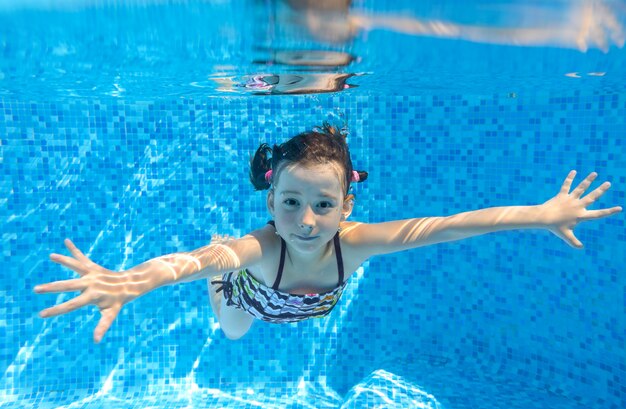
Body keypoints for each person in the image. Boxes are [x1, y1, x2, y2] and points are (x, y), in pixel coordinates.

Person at [34, 123, 622, 342]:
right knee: (233, 326)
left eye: (323, 204)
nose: (306, 222)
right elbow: (193, 258)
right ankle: (223, 290)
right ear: (270, 199)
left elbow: (447, 228)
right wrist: (131, 284)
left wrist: (539, 214)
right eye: (290, 203)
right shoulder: (264, 247)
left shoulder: (356, 241)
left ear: (347, 205)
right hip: (254, 296)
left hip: (311, 303)